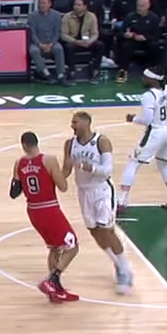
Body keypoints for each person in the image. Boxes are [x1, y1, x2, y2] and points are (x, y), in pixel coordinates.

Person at [63, 111, 134, 294]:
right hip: (83, 192)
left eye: (75, 122)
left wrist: (89, 167)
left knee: (107, 230)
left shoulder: (101, 141)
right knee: (94, 231)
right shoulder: (69, 144)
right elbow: (65, 170)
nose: (72, 125)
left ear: (86, 123)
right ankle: (117, 262)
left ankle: (125, 269)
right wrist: (52, 177)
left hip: (102, 191)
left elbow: (107, 170)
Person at [12, 131, 81, 303]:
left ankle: (55, 291)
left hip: (33, 211)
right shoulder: (49, 160)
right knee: (72, 246)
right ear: (37, 142)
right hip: (49, 209)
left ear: (24, 145)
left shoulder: (19, 163)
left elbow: (14, 192)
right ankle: (52, 279)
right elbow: (63, 186)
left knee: (55, 248)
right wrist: (64, 170)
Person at [117, 68, 167, 213]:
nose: (143, 79)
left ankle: (121, 202)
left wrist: (133, 119)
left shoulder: (149, 96)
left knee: (133, 163)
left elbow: (147, 120)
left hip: (155, 132)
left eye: (146, 77)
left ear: (154, 80)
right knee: (164, 166)